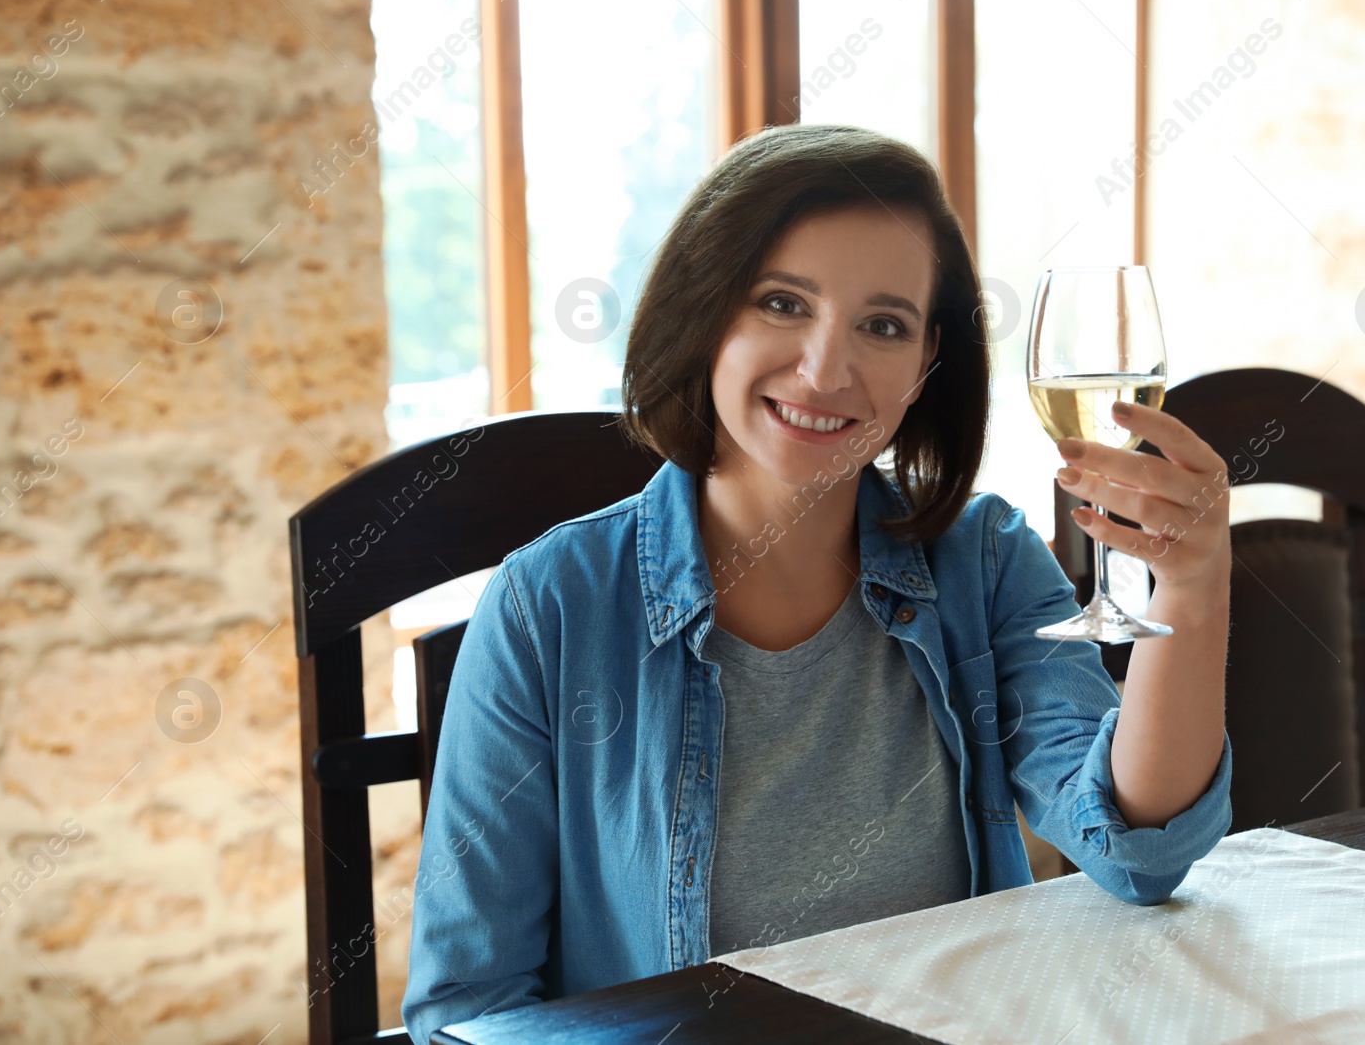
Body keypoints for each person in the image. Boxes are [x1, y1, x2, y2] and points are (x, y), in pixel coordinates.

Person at [402, 123, 1232, 1043]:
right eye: (782, 303)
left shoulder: (985, 560)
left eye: (883, 325)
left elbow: (1137, 851)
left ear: (924, 369)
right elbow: (469, 1012)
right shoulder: (546, 606)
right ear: (706, 311)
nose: (825, 368)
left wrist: (1190, 592)